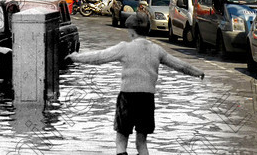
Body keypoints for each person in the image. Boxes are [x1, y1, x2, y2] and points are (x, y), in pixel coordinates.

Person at [67, 13, 204, 155]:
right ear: (148, 29)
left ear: (131, 30)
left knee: (121, 139)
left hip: (127, 97)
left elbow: (98, 57)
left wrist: (76, 58)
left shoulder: (124, 48)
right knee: (142, 142)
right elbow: (180, 65)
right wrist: (197, 72)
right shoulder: (157, 50)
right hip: (147, 98)